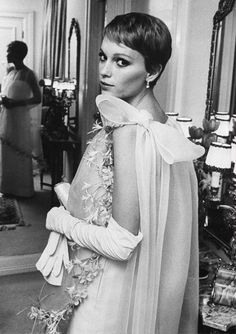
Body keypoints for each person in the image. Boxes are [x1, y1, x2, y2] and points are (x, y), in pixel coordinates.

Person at [36, 12, 204, 334]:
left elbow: (121, 242)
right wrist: (73, 195)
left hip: (110, 289)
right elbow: (138, 206)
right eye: (103, 56)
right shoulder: (163, 126)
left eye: (121, 62)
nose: (104, 70)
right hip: (136, 288)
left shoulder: (130, 129)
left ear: (152, 71)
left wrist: (61, 220)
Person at [0, 40, 41, 197]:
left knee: (19, 150)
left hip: (20, 118)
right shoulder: (9, 72)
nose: (6, 54)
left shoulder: (28, 74)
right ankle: (7, 187)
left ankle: (22, 189)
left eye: (9, 51)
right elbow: (6, 93)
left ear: (18, 54)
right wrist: (4, 100)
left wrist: (16, 103)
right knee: (6, 151)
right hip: (6, 117)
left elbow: (37, 98)